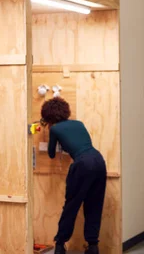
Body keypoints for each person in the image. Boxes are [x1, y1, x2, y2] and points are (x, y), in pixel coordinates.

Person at [40, 97, 107, 254]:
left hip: (82, 163)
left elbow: (50, 154)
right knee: (94, 205)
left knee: (71, 206)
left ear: (48, 116)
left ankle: (59, 245)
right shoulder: (79, 123)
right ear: (65, 111)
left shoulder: (55, 129)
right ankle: (92, 247)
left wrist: (52, 135)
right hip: (98, 160)